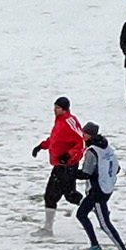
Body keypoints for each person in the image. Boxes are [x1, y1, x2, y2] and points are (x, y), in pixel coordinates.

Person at [67, 122, 126, 250]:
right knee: (81, 214)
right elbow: (117, 168)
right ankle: (94, 245)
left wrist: (70, 172)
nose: (83, 135)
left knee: (105, 224)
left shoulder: (92, 151)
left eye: (85, 133)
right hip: (105, 187)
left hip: (97, 192)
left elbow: (86, 173)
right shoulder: (107, 148)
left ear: (90, 135)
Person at [30, 96, 84, 237]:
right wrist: (42, 146)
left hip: (66, 166)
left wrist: (70, 155)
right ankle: (95, 208)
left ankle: (48, 229)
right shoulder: (59, 121)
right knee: (70, 195)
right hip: (60, 164)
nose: (55, 110)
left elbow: (81, 141)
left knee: (50, 196)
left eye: (58, 108)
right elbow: (56, 140)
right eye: (55, 107)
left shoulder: (70, 121)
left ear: (65, 109)